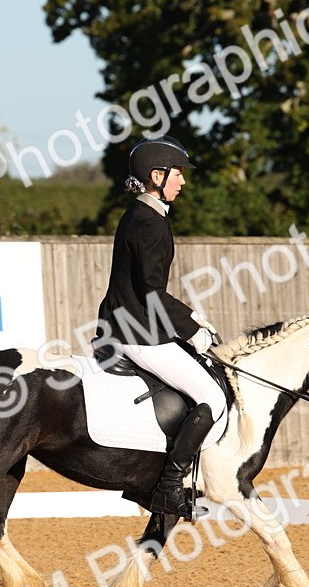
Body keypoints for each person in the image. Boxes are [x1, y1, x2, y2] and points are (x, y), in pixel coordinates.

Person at [95, 135, 227, 521]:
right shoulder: (148, 222)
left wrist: (190, 315)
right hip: (135, 331)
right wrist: (190, 329)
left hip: (129, 321)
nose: (183, 181)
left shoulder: (142, 215)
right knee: (211, 398)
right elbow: (152, 292)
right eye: (178, 174)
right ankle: (169, 488)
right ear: (157, 175)